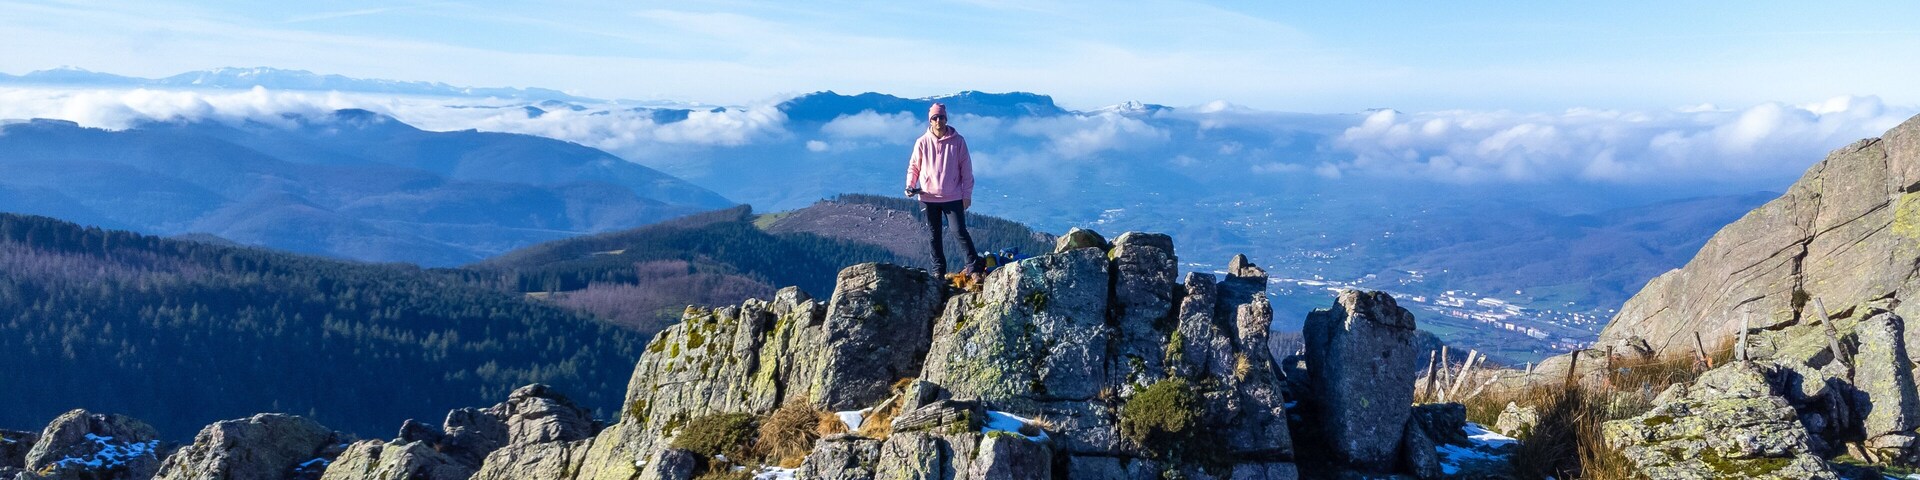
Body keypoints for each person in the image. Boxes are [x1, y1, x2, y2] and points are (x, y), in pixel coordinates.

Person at [905, 102, 981, 278]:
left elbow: (966, 170)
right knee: (934, 235)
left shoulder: (959, 141)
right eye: (935, 118)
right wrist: (910, 185)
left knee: (959, 231)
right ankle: (939, 271)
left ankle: (974, 268)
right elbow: (914, 167)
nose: (938, 120)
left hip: (953, 196)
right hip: (928, 196)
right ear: (930, 121)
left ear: (946, 119)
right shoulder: (922, 142)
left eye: (941, 117)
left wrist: (966, 195)